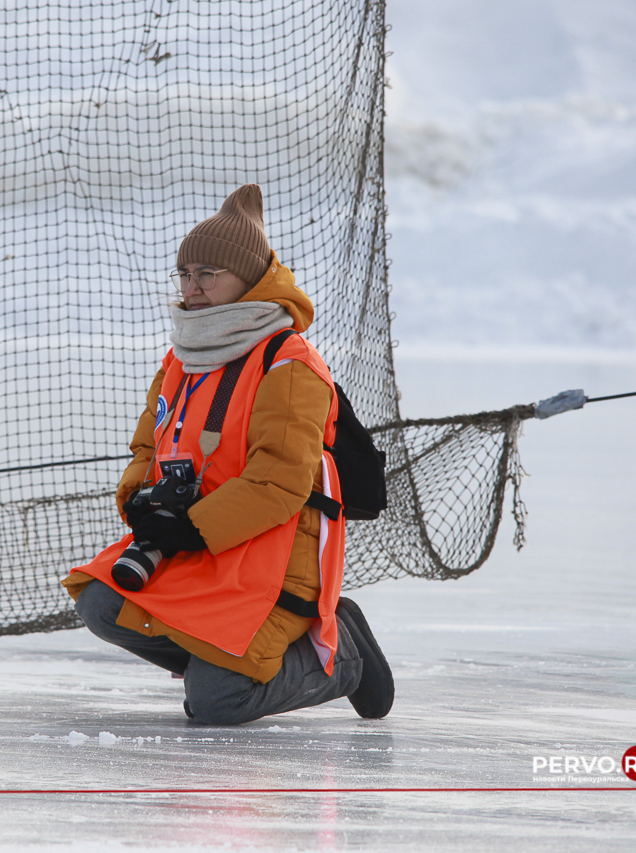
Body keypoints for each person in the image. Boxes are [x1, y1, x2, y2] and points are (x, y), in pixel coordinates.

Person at [63, 184, 394, 725]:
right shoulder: (183, 356)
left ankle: (344, 659)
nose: (191, 288)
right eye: (184, 274)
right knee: (102, 602)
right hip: (198, 546)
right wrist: (140, 501)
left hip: (271, 560)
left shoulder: (288, 363)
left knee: (217, 703)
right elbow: (149, 445)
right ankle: (218, 662)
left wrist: (191, 528)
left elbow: (278, 484)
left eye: (207, 274)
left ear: (249, 278)